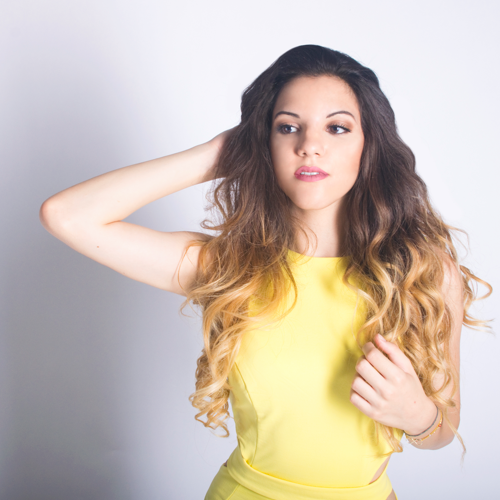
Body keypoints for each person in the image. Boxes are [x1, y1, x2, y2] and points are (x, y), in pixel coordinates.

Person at [39, 45, 492, 500]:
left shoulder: (423, 274)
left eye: (337, 127)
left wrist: (418, 415)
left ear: (369, 144)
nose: (309, 145)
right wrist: (218, 154)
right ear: (265, 143)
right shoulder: (228, 267)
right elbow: (67, 216)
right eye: (288, 127)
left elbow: (443, 429)